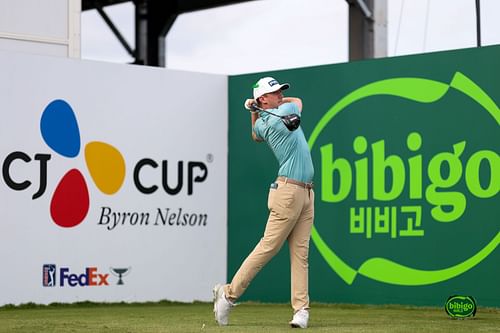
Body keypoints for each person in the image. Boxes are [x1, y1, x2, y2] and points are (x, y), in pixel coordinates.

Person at [213, 77, 315, 328]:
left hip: (305, 194)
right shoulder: (285, 112)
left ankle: (301, 311)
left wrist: (254, 111)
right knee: (268, 247)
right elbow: (297, 102)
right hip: (288, 192)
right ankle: (228, 295)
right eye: (274, 92)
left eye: (281, 91)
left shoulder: (267, 121)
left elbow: (255, 134)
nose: (281, 95)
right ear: (263, 99)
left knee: (301, 255)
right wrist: (258, 107)